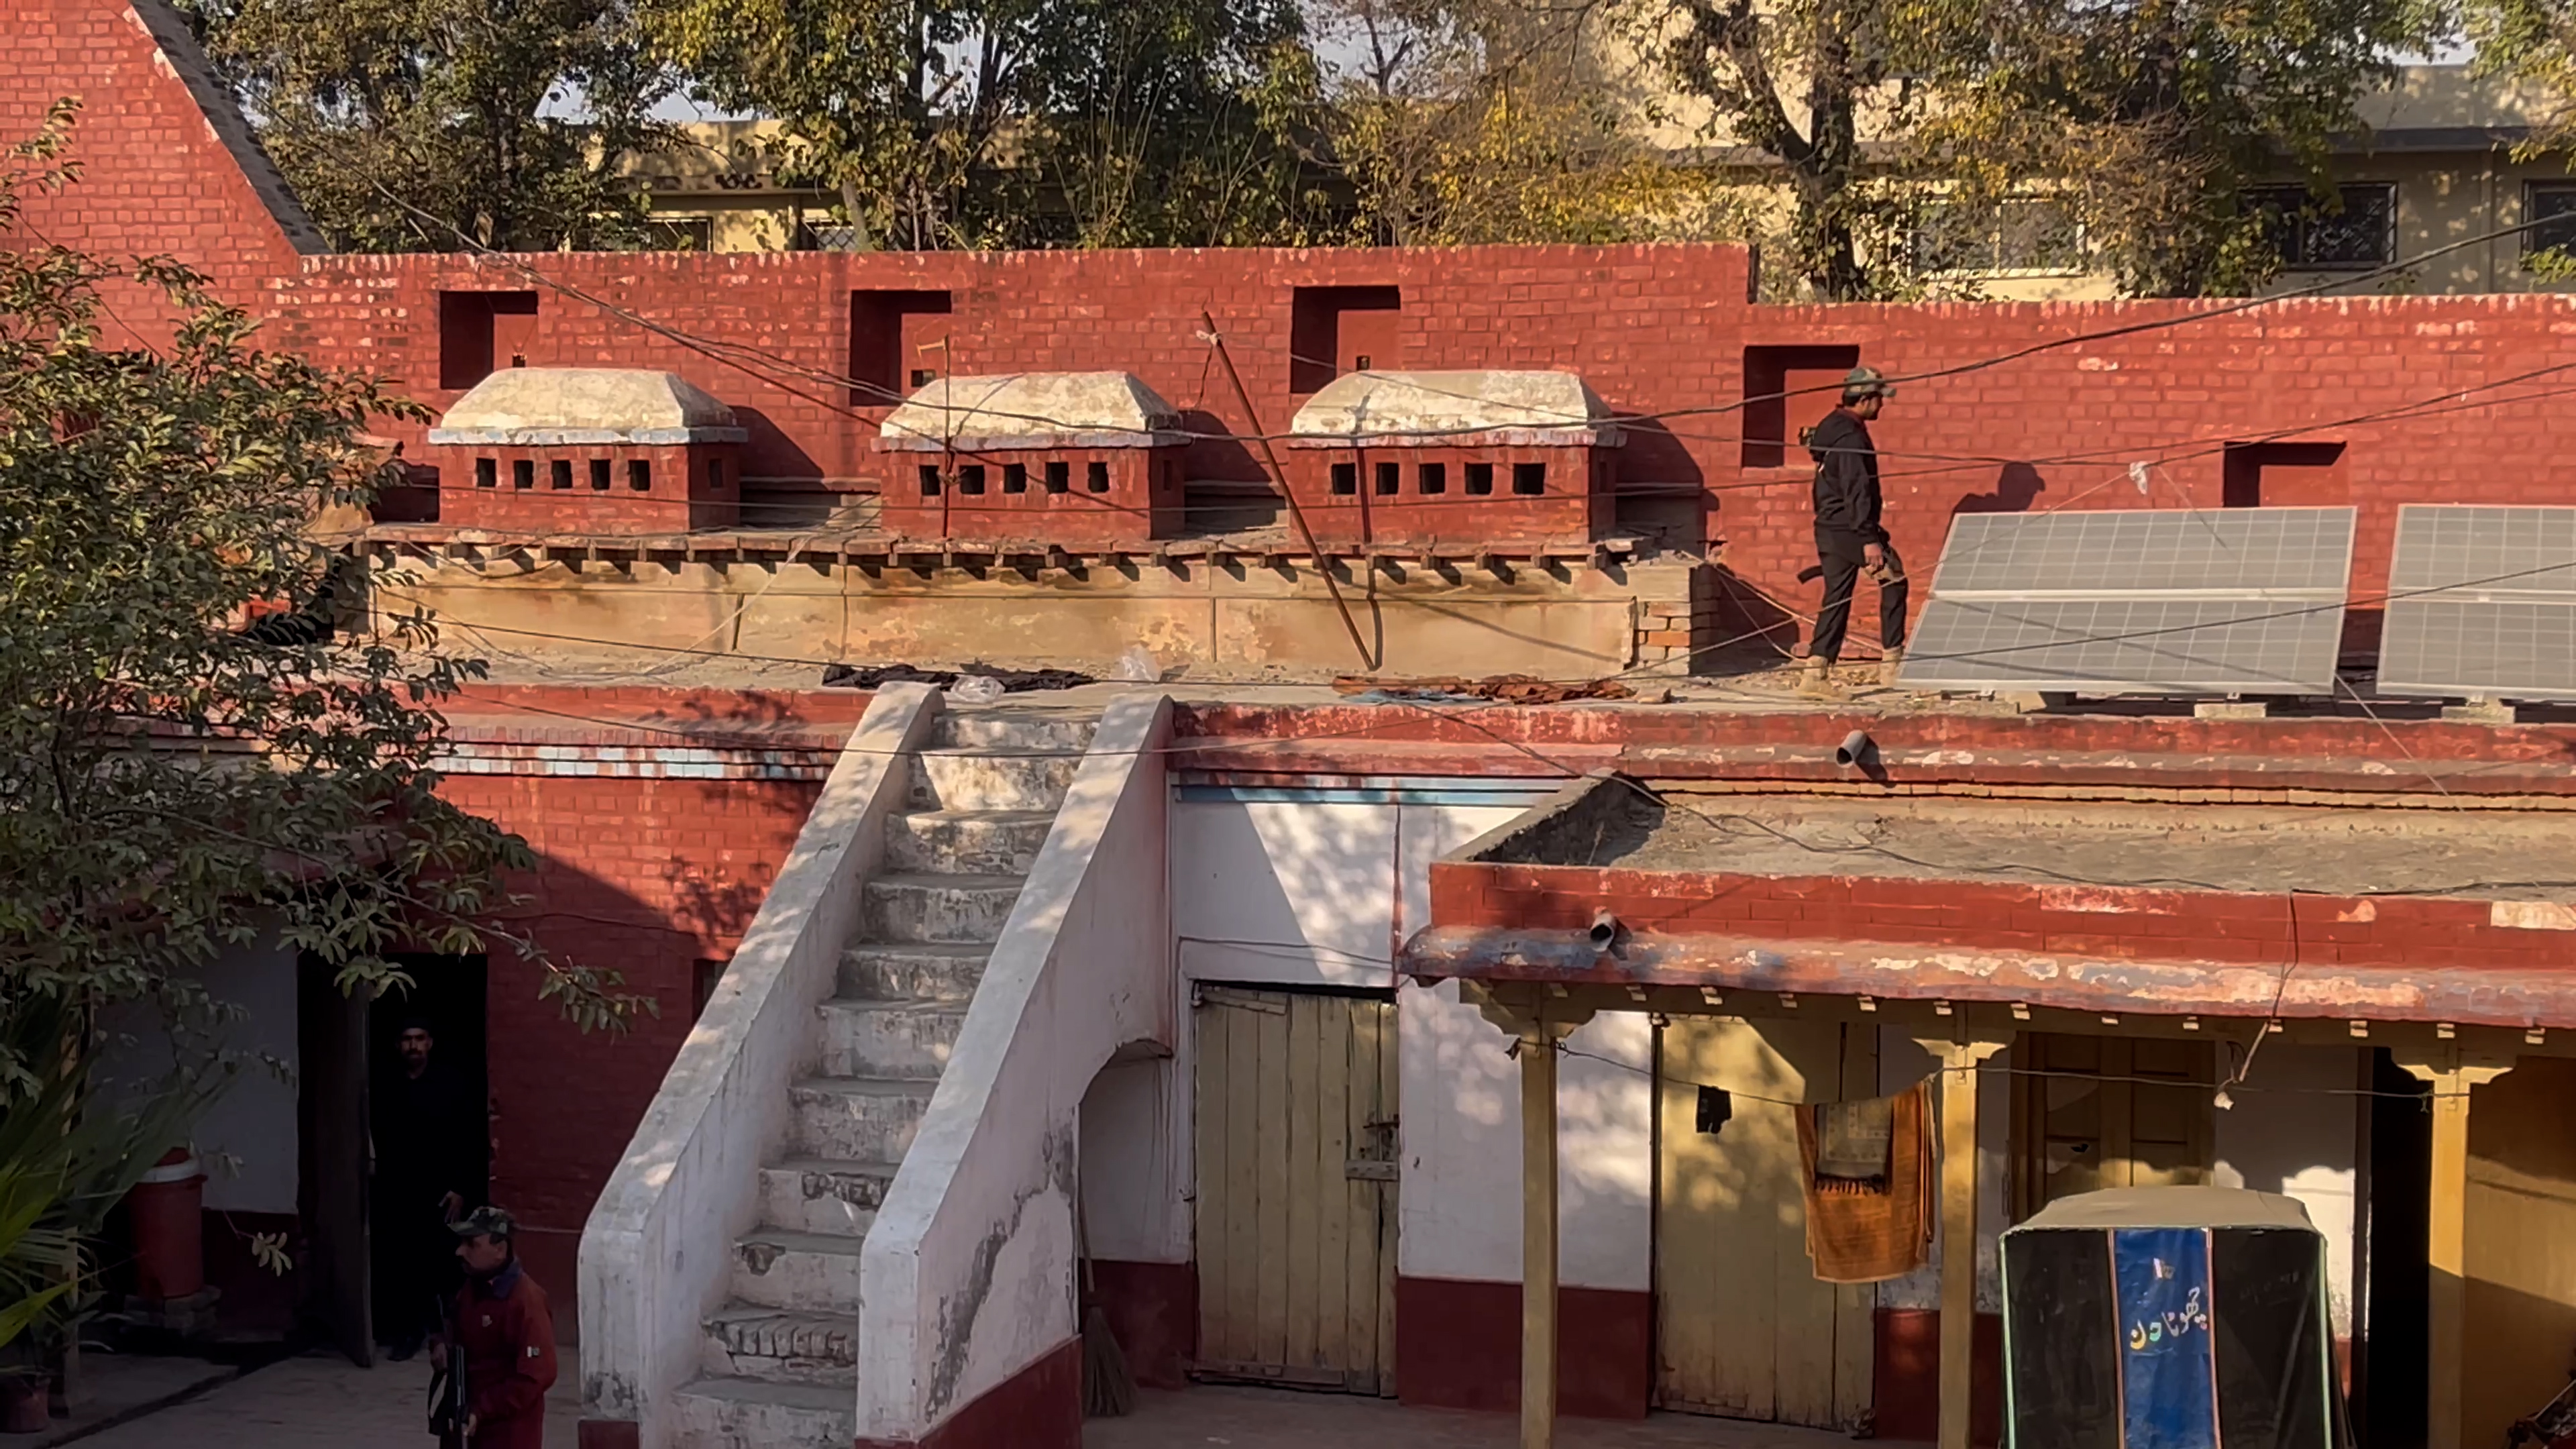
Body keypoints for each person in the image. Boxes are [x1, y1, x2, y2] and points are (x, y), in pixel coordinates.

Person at [372, 1017, 482, 1360]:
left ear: (430, 1043)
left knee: (443, 1264)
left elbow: (470, 1137)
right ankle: (408, 1333)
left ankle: (447, 1335)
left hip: (441, 1192)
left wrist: (460, 1187)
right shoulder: (387, 1085)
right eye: (407, 1039)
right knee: (401, 1262)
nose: (413, 1046)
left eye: (419, 1039)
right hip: (398, 1188)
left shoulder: (451, 1083)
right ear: (398, 1045)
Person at [1801, 364, 1910, 693]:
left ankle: (1815, 674)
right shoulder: (1850, 436)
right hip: (1850, 528)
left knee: (1836, 598)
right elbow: (1856, 489)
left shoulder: (1832, 427)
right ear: (1864, 399)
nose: (1882, 405)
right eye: (1879, 399)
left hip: (1830, 526)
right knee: (1894, 581)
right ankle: (1892, 667)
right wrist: (1868, 539)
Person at [431, 1208, 557, 1449]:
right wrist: (441, 1346)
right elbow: (454, 1330)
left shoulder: (526, 1301)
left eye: (471, 1244)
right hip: (465, 1420)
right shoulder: (471, 1288)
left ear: (499, 1250)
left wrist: (483, 1409)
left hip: (508, 1434)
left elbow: (536, 1376)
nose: (460, 1251)